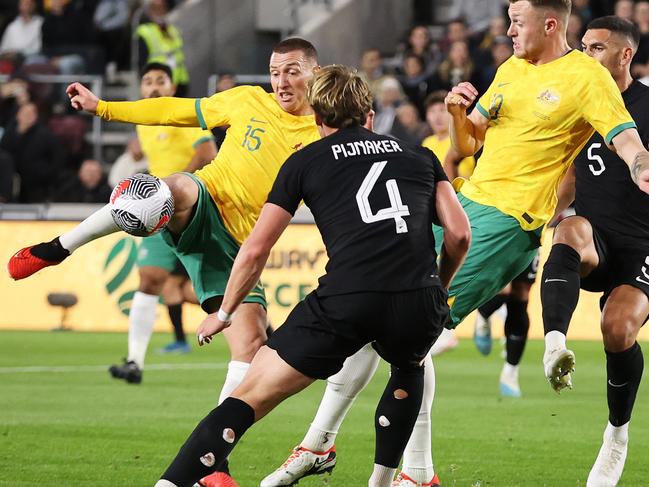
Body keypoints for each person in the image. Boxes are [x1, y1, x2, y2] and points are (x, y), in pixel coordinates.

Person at [261, 2, 649, 486]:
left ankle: (324, 446)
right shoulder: (510, 69)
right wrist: (457, 113)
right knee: (392, 319)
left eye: (517, 21)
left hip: (508, 224)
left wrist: (640, 165)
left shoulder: (585, 77)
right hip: (466, 205)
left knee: (398, 324)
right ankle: (408, 471)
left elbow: (625, 137)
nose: (507, 30)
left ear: (550, 25)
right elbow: (468, 145)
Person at [7, 37, 322, 487]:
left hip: (240, 246)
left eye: (292, 71)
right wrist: (104, 108)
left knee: (251, 348)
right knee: (170, 187)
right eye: (274, 71)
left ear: (315, 71)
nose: (281, 81)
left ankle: (214, 463)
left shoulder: (325, 134)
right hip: (203, 200)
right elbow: (174, 109)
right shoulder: (248, 100)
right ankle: (58, 246)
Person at [153, 64, 470, 487]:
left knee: (248, 397)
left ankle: (176, 481)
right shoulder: (420, 156)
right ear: (370, 117)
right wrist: (439, 288)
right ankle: (386, 478)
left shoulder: (304, 160)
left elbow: (256, 248)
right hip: (418, 297)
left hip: (347, 299)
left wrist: (225, 312)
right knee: (408, 366)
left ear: (318, 120)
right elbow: (460, 234)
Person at [541, 16, 649, 486]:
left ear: (625, 55)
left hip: (643, 245)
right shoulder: (580, 105)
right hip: (596, 238)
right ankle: (554, 346)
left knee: (618, 328)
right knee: (569, 232)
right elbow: (569, 175)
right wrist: (543, 217)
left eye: (598, 48)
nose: (587, 56)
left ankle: (617, 434)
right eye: (583, 47)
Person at [108, 62, 217, 384]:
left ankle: (266, 338)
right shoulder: (144, 122)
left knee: (224, 289)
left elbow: (209, 152)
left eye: (160, 81)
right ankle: (134, 362)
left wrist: (176, 182)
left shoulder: (182, 115)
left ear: (172, 88)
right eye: (147, 82)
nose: (153, 87)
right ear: (141, 89)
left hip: (195, 211)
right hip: (158, 212)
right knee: (149, 279)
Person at [473, 251, 540, 397]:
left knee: (521, 293)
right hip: (502, 231)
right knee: (503, 288)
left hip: (530, 233)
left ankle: (510, 372)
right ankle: (483, 314)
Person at [135, 0, 189, 96]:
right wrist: (148, 84)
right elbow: (141, 63)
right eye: (156, 8)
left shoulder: (173, 30)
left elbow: (179, 57)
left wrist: (183, 84)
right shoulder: (145, 31)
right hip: (158, 84)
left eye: (162, 8)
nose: (160, 11)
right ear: (150, 11)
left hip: (179, 83)